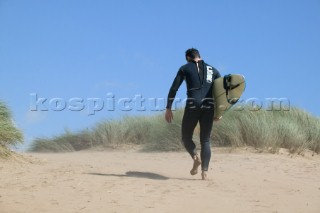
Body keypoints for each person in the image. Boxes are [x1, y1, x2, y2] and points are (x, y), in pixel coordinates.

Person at [165, 48, 221, 180]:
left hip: (193, 104)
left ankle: (195, 157)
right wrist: (220, 112)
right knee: (205, 140)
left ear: (188, 58)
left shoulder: (185, 68)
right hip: (209, 105)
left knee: (186, 137)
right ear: (199, 56)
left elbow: (174, 88)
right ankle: (205, 172)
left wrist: (168, 107)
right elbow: (221, 92)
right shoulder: (214, 70)